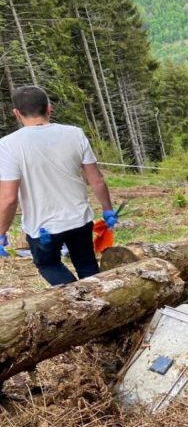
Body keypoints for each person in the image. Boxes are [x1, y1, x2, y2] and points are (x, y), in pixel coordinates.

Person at [0, 86, 118, 285]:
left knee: (49, 265)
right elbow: (96, 180)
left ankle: (78, 300)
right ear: (49, 108)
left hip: (42, 227)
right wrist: (108, 210)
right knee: (87, 264)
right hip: (79, 219)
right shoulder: (75, 134)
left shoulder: (8, 145)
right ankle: (98, 300)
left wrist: (1, 232)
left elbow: (9, 198)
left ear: (16, 113)